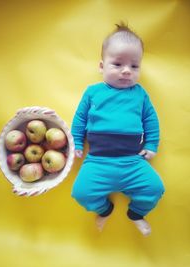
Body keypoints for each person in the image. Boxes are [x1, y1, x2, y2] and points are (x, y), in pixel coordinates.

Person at [71, 23, 165, 236]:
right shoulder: (93, 92)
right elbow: (80, 118)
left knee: (155, 189)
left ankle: (136, 213)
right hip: (98, 161)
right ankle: (105, 209)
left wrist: (151, 145)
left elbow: (151, 119)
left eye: (134, 66)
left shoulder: (140, 94)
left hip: (132, 161)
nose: (126, 71)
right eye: (118, 64)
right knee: (81, 193)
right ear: (102, 66)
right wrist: (77, 142)